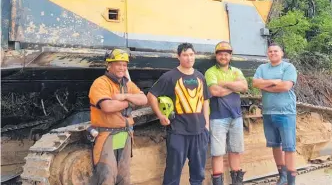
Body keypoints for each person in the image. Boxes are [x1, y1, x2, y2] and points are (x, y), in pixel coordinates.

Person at [147, 43, 211, 185]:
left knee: (198, 174)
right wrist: (160, 115)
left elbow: (205, 100)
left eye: (191, 54)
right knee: (173, 173)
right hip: (178, 132)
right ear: (178, 57)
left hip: (200, 132)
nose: (189, 58)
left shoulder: (200, 76)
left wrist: (207, 123)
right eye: (185, 55)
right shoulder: (170, 76)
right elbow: (151, 95)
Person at [89, 48, 148, 185]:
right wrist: (129, 103)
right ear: (109, 65)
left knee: (123, 175)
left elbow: (144, 99)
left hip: (124, 134)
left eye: (124, 65)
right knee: (107, 175)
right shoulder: (100, 83)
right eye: (118, 64)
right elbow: (107, 107)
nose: (122, 68)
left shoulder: (127, 84)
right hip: (107, 135)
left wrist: (125, 97)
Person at [252, 43, 298, 185]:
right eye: (270, 51)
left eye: (276, 51)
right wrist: (273, 82)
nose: (273, 53)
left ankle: (291, 180)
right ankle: (282, 176)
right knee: (275, 145)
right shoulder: (262, 68)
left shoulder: (288, 68)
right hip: (268, 113)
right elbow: (255, 83)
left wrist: (266, 86)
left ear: (282, 53)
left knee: (289, 147)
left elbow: (286, 86)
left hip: (286, 113)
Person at [205, 41, 248, 185]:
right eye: (221, 54)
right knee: (217, 153)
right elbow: (214, 91)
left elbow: (244, 86)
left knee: (235, 150)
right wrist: (234, 86)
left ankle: (237, 182)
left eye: (226, 54)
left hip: (236, 116)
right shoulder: (210, 72)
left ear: (230, 56)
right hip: (217, 117)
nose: (223, 57)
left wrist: (224, 84)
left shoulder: (236, 71)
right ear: (216, 56)